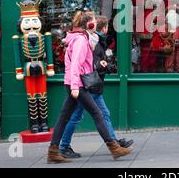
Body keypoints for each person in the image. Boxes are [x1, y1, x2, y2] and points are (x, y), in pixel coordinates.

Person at [47, 11, 132, 163]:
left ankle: (53, 151)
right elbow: (75, 65)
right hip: (78, 85)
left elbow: (82, 62)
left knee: (64, 117)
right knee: (97, 113)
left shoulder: (82, 38)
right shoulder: (80, 40)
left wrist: (94, 65)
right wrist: (74, 86)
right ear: (88, 24)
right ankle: (114, 148)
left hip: (75, 83)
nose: (95, 24)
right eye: (93, 21)